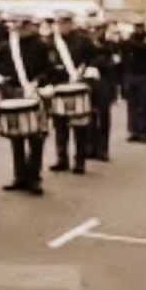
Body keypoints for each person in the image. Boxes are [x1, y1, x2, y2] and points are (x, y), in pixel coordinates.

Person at [0, 11, 53, 196]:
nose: (19, 28)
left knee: (36, 137)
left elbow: (48, 70)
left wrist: (37, 83)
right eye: (16, 25)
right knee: (16, 137)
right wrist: (2, 81)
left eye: (22, 25)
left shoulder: (40, 45)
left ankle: (34, 178)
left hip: (33, 93)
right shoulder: (6, 47)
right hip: (13, 93)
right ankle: (19, 177)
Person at [47, 10, 97, 175]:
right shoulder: (52, 42)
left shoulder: (82, 40)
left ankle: (80, 161)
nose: (63, 26)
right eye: (60, 23)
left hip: (78, 85)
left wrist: (86, 69)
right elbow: (47, 64)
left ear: (71, 23)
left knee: (79, 125)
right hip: (59, 87)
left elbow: (94, 58)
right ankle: (62, 159)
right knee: (60, 125)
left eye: (65, 22)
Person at [85, 23, 123, 162]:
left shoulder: (110, 46)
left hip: (105, 83)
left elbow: (116, 63)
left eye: (98, 29)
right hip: (89, 83)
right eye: (93, 29)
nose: (95, 32)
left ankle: (103, 149)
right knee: (89, 117)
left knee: (103, 118)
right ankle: (90, 147)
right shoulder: (86, 45)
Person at [122, 19, 146, 144]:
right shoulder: (130, 39)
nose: (138, 29)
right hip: (131, 74)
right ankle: (133, 131)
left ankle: (143, 132)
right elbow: (123, 52)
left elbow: (145, 48)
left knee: (143, 105)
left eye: (140, 27)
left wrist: (130, 42)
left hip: (144, 74)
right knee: (132, 106)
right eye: (136, 27)